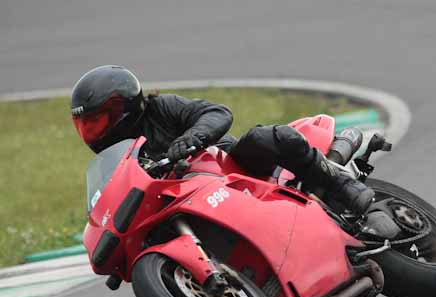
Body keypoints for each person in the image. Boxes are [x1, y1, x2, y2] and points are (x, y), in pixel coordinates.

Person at [71, 65, 374, 214]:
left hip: (233, 168)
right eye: (87, 126)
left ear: (125, 106)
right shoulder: (112, 161)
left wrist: (191, 138)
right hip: (189, 202)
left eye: (99, 121)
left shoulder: (161, 108)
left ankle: (341, 185)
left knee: (266, 137)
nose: (94, 132)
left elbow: (216, 113)